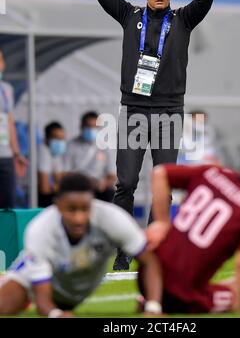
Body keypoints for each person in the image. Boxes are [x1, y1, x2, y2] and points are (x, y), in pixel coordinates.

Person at [93, 0, 215, 269]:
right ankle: (123, 251)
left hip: (169, 111)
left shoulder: (184, 19)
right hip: (133, 110)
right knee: (126, 183)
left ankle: (152, 249)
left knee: (162, 186)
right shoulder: (129, 15)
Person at [142, 145, 240, 316]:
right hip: (178, 294)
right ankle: (159, 305)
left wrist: (162, 222)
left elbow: (159, 173)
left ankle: (151, 300)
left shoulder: (215, 172)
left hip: (149, 272)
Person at [0, 173, 163, 317]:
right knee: (3, 307)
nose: (79, 218)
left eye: (85, 209)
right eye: (71, 210)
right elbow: (43, 301)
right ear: (57, 205)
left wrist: (154, 307)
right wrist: (55, 314)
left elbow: (149, 261)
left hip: (74, 289)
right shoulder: (40, 230)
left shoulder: (113, 219)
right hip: (43, 285)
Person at [64, 111, 116, 203]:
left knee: (111, 193)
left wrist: (103, 184)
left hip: (98, 188)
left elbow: (112, 175)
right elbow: (66, 173)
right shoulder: (71, 146)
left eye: (94, 126)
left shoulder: (105, 147)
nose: (91, 129)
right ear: (81, 127)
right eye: (88, 126)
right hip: (77, 186)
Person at [0, 50, 27, 209]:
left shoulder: (6, 89)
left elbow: (9, 120)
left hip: (5, 156)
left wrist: (16, 153)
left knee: (7, 204)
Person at [38, 122, 66, 207]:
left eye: (62, 139)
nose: (60, 142)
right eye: (56, 139)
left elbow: (60, 180)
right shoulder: (42, 152)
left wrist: (55, 187)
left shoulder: (55, 154)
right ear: (46, 139)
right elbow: (45, 189)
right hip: (30, 197)